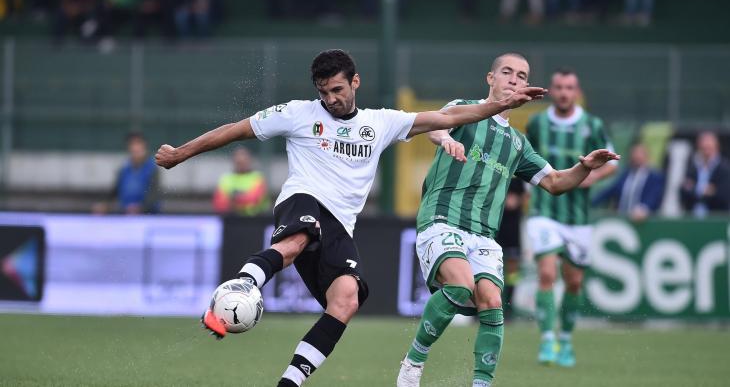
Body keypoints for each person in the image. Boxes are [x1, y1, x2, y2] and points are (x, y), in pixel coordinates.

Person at [154, 49, 547, 387]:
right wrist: (180, 154)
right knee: (302, 235)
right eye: (323, 92)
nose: (330, 99)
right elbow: (235, 131)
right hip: (303, 200)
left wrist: (501, 105)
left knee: (346, 299)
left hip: (341, 224)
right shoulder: (297, 114)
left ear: (355, 82)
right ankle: (244, 282)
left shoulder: (379, 123)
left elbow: (443, 119)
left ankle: (289, 381)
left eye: (337, 90)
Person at [396, 54, 619, 387]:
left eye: (522, 76)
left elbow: (556, 183)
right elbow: (435, 127)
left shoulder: (518, 144)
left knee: (492, 302)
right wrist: (447, 139)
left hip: (484, 235)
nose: (515, 79)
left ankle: (481, 384)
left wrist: (585, 167)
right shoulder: (464, 107)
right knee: (460, 285)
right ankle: (413, 363)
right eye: (507, 73)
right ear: (491, 78)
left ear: (527, 86)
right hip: (443, 217)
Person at [525, 67, 617, 368]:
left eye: (569, 87)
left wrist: (591, 177)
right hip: (544, 210)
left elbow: (612, 162)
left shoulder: (592, 124)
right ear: (552, 90)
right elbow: (526, 158)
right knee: (548, 274)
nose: (564, 92)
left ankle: (565, 339)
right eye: (559, 87)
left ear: (576, 92)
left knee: (574, 282)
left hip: (577, 217)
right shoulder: (537, 123)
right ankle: (546, 340)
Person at [93, 132, 162, 215]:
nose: (135, 147)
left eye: (138, 143)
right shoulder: (124, 169)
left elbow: (153, 196)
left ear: (144, 146)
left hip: (147, 215)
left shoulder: (152, 169)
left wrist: (140, 208)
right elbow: (115, 191)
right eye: (132, 144)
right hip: (125, 214)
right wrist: (104, 205)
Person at [592, 142, 665, 221]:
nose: (636, 156)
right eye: (635, 153)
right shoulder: (626, 174)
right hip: (623, 219)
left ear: (646, 156)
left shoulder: (654, 176)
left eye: (640, 153)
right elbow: (610, 190)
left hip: (642, 221)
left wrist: (644, 208)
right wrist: (591, 203)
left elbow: (654, 195)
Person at [496, 177, 527, 320]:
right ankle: (486, 308)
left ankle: (508, 307)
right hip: (495, 227)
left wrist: (518, 201)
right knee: (491, 267)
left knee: (512, 269)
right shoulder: (494, 172)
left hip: (513, 229)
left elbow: (525, 198)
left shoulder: (518, 176)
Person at [679, 131, 730, 217]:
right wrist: (705, 192)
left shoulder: (725, 168)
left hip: (716, 218)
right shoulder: (692, 167)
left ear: (716, 147)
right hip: (693, 217)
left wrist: (695, 190)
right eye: (703, 148)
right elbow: (684, 191)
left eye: (709, 147)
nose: (706, 150)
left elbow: (723, 195)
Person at [212, 147, 270, 216]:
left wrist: (233, 198)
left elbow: (254, 200)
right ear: (233, 161)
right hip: (231, 220)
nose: (241, 164)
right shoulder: (225, 179)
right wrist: (243, 198)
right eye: (239, 162)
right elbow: (219, 203)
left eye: (244, 161)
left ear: (250, 161)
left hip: (255, 220)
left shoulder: (258, 178)